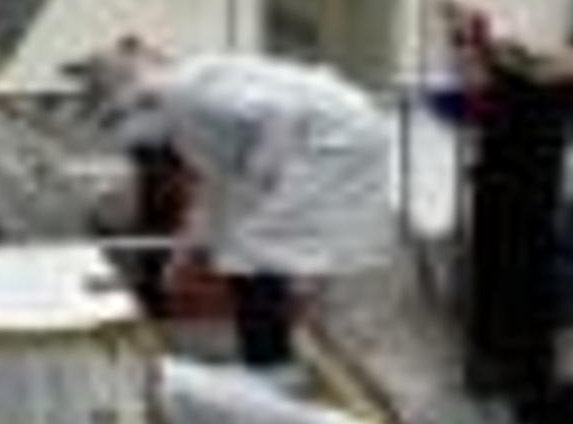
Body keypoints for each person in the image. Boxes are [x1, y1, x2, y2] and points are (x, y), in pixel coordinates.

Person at [96, 40, 390, 365]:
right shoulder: (187, 118)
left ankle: (271, 365)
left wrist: (261, 174)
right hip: (325, 134)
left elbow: (279, 114)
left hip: (338, 135)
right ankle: (270, 357)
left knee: (254, 252)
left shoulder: (189, 95)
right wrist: (180, 255)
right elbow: (215, 196)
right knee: (247, 250)